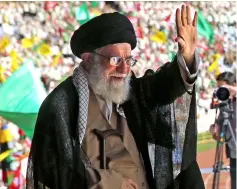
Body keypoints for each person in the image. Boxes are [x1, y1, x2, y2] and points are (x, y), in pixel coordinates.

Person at [26, 5, 204, 189]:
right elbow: (53, 173)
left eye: (128, 60)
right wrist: (111, 182)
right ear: (88, 59)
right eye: (115, 60)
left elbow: (164, 89)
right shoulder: (61, 105)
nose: (125, 69)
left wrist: (187, 56)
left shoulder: (130, 92)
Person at [209, 72, 236, 189]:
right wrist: (215, 133)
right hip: (234, 155)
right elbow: (221, 137)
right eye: (219, 88)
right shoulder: (224, 107)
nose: (221, 92)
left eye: (223, 88)